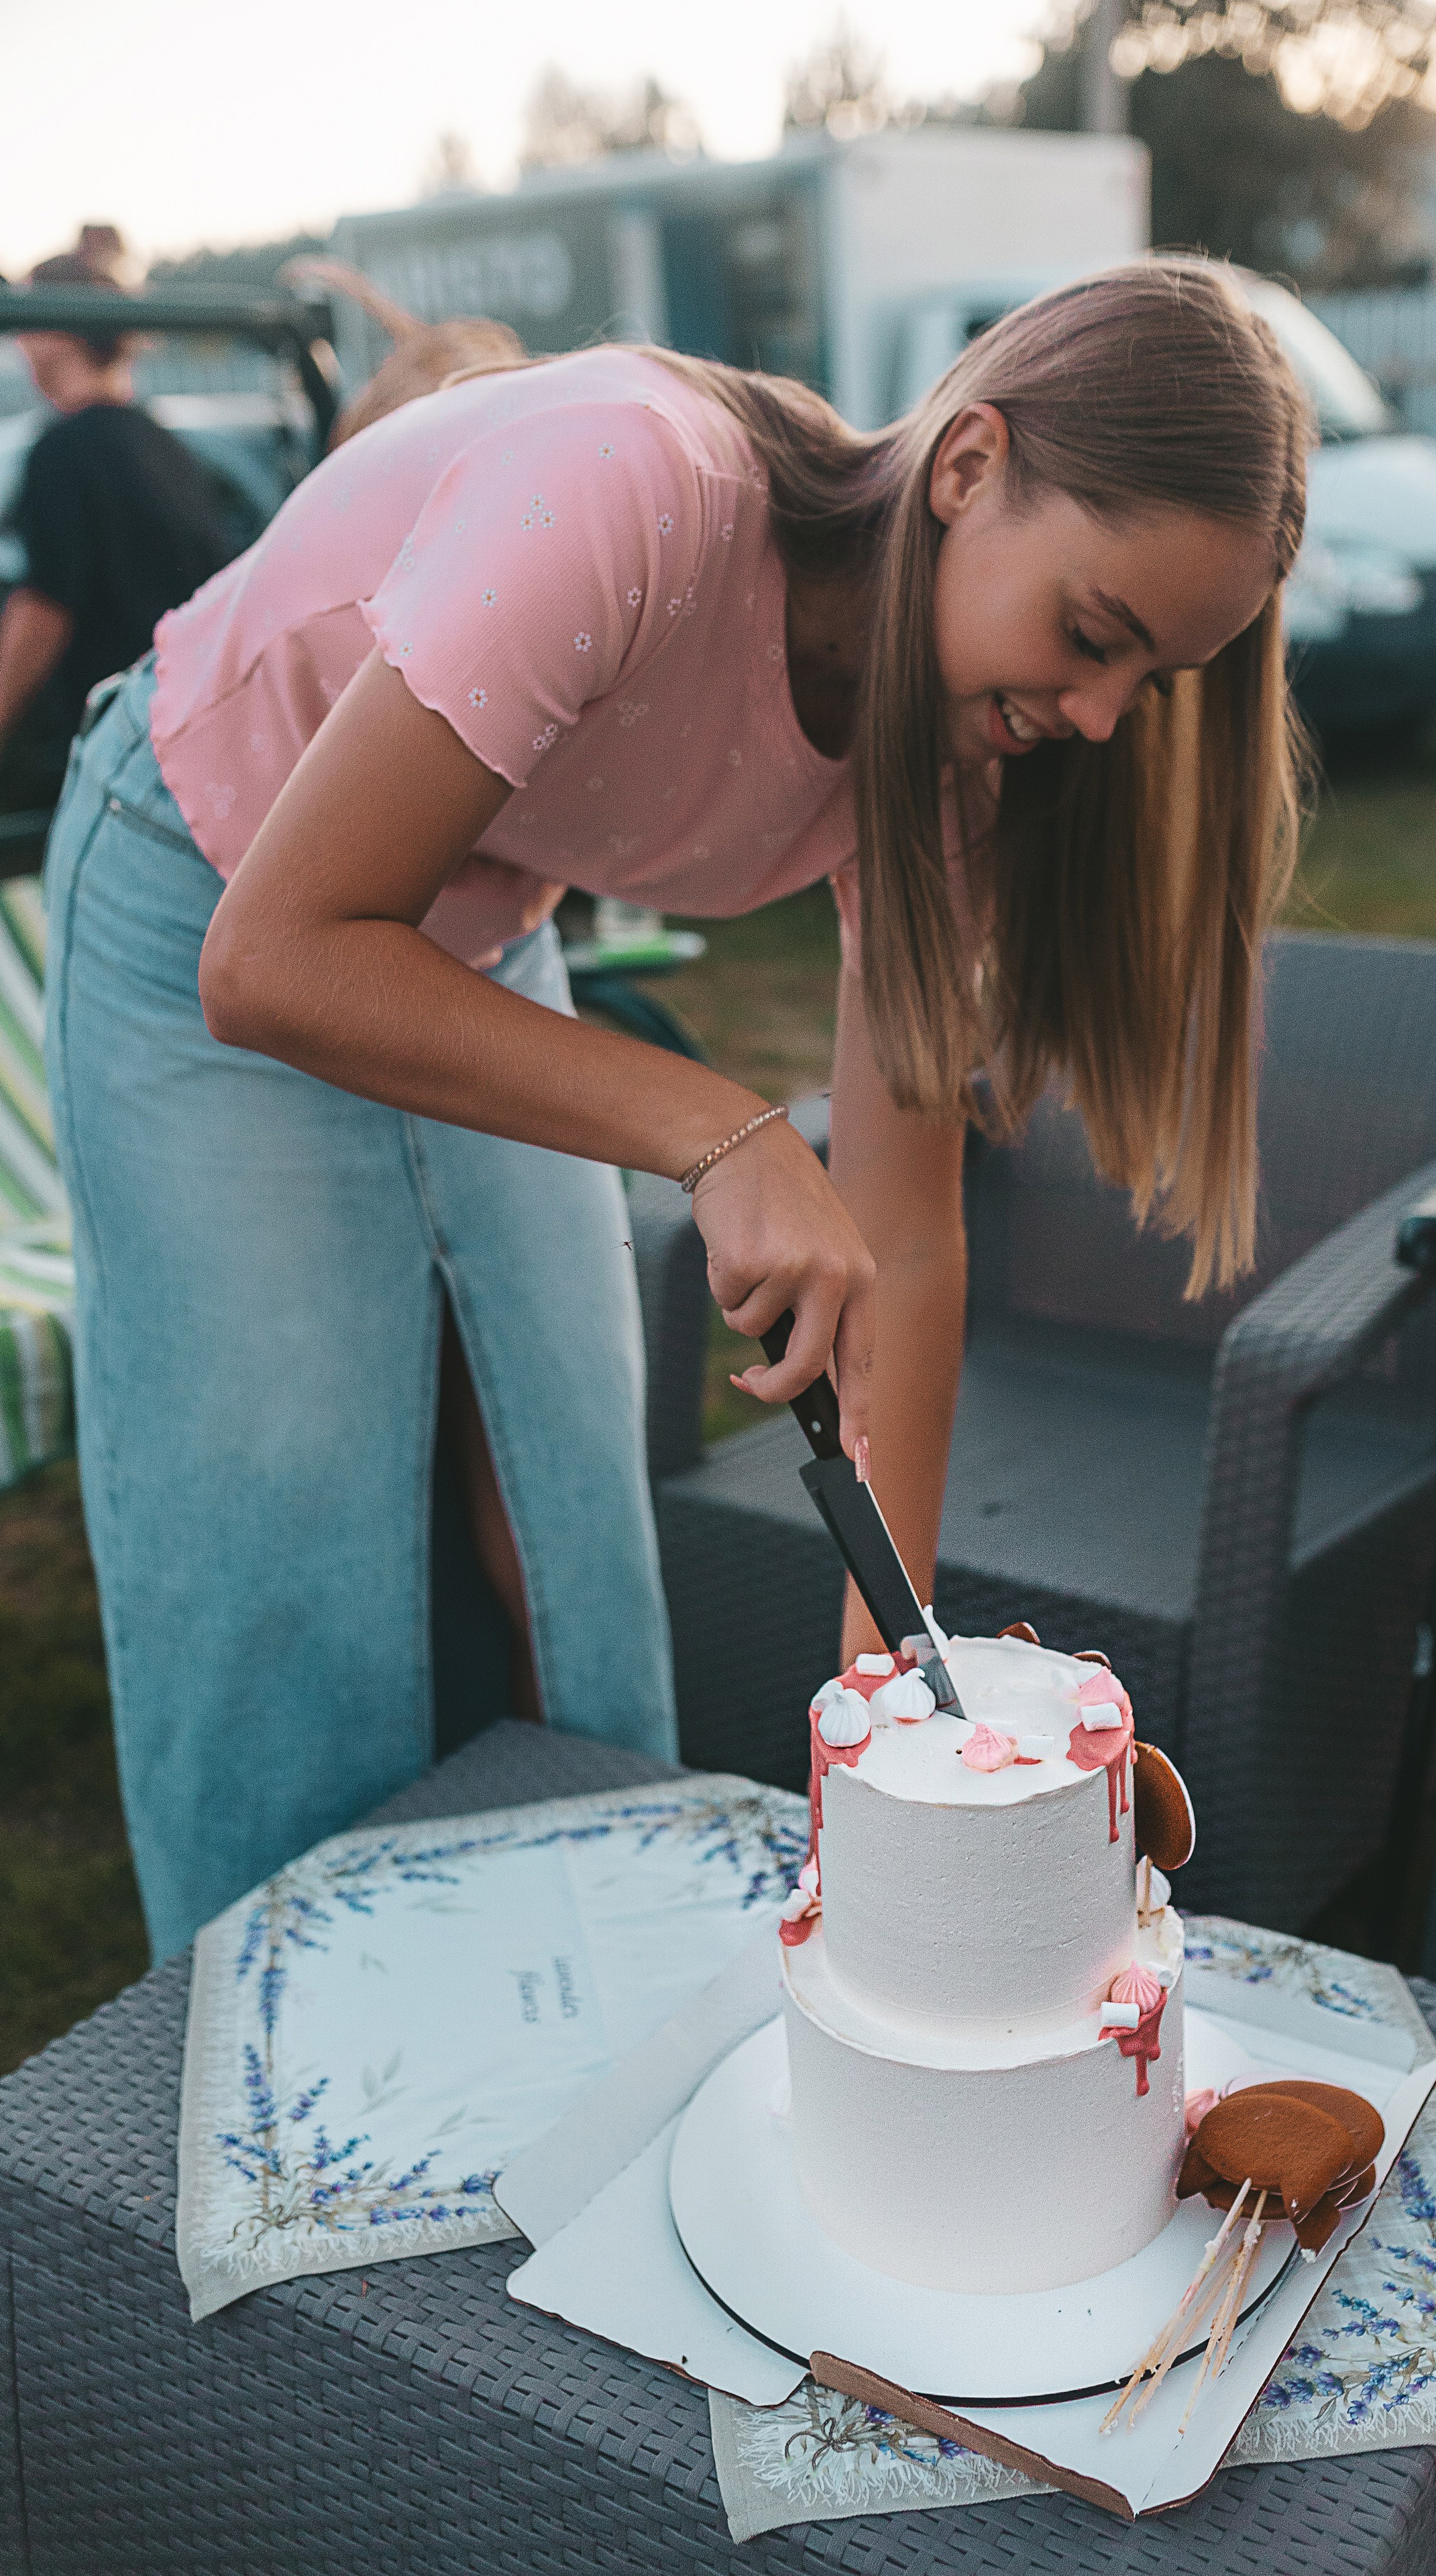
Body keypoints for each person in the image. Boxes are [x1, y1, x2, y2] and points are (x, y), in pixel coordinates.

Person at [45, 260, 1310, 1960]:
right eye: (1092, 634)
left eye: (1141, 681)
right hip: (202, 877)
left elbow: (906, 1246)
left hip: (468, 930)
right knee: (282, 1555)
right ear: (965, 470)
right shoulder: (631, 484)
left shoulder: (956, 751)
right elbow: (271, 958)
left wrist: (890, 1740)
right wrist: (724, 1129)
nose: (1090, 715)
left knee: (578, 1527)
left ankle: (575, 1994)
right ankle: (265, 2088)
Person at [0, 248, 233, 808]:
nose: (18, 339)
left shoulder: (64, 450)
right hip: (184, 737)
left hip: (112, 753)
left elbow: (43, 612)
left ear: (58, 332)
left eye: (30, 319)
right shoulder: (161, 442)